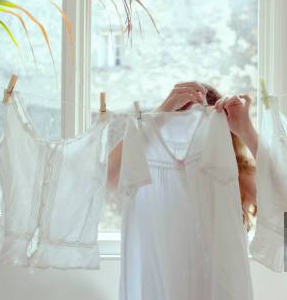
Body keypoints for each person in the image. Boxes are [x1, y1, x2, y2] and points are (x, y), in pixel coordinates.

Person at [107, 81, 259, 228]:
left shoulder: (236, 174)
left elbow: (282, 201)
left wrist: (247, 132)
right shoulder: (151, 169)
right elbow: (107, 176)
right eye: (184, 124)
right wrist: (158, 116)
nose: (191, 136)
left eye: (201, 125)